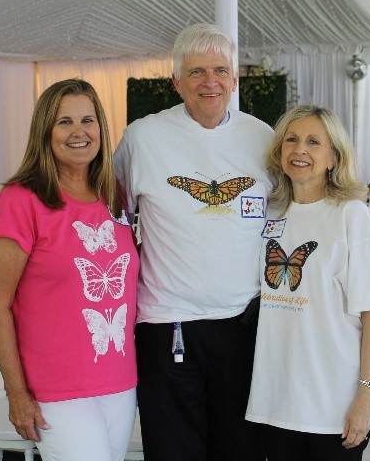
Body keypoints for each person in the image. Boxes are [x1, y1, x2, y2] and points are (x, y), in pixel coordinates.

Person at [114, 23, 272, 461]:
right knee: (171, 450)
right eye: (197, 71)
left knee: (240, 449)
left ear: (236, 79)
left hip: (244, 325)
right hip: (167, 325)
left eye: (220, 70)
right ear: (176, 81)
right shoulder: (143, 138)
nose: (210, 82)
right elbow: (111, 215)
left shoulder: (263, 139)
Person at [0, 79, 139, 461]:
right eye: (64, 122)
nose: (78, 132)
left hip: (119, 382)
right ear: (44, 133)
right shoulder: (19, 202)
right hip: (56, 390)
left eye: (87, 120)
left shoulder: (114, 197)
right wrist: (17, 393)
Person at [246, 105, 370, 460]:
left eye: (314, 142)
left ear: (333, 158)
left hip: (333, 406)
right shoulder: (270, 215)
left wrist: (366, 395)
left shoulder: (350, 215)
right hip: (278, 401)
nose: (300, 151)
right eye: (291, 141)